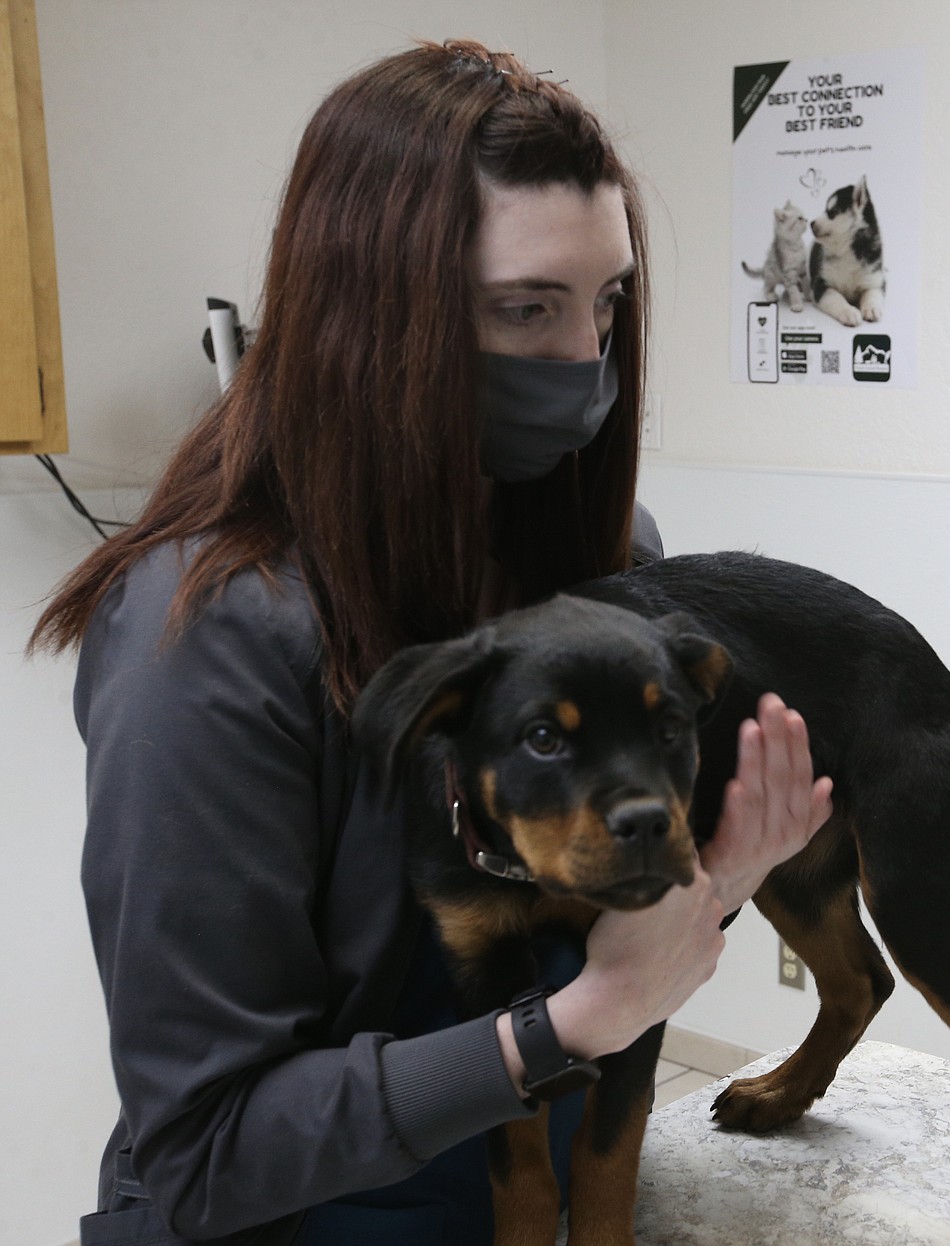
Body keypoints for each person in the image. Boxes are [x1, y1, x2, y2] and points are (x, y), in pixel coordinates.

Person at [32, 39, 833, 1246]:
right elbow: (205, 1153)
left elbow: (616, 947)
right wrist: (567, 1027)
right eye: (525, 308)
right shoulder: (204, 637)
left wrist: (712, 879)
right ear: (372, 316)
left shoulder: (604, 573)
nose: (584, 362)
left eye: (605, 303)